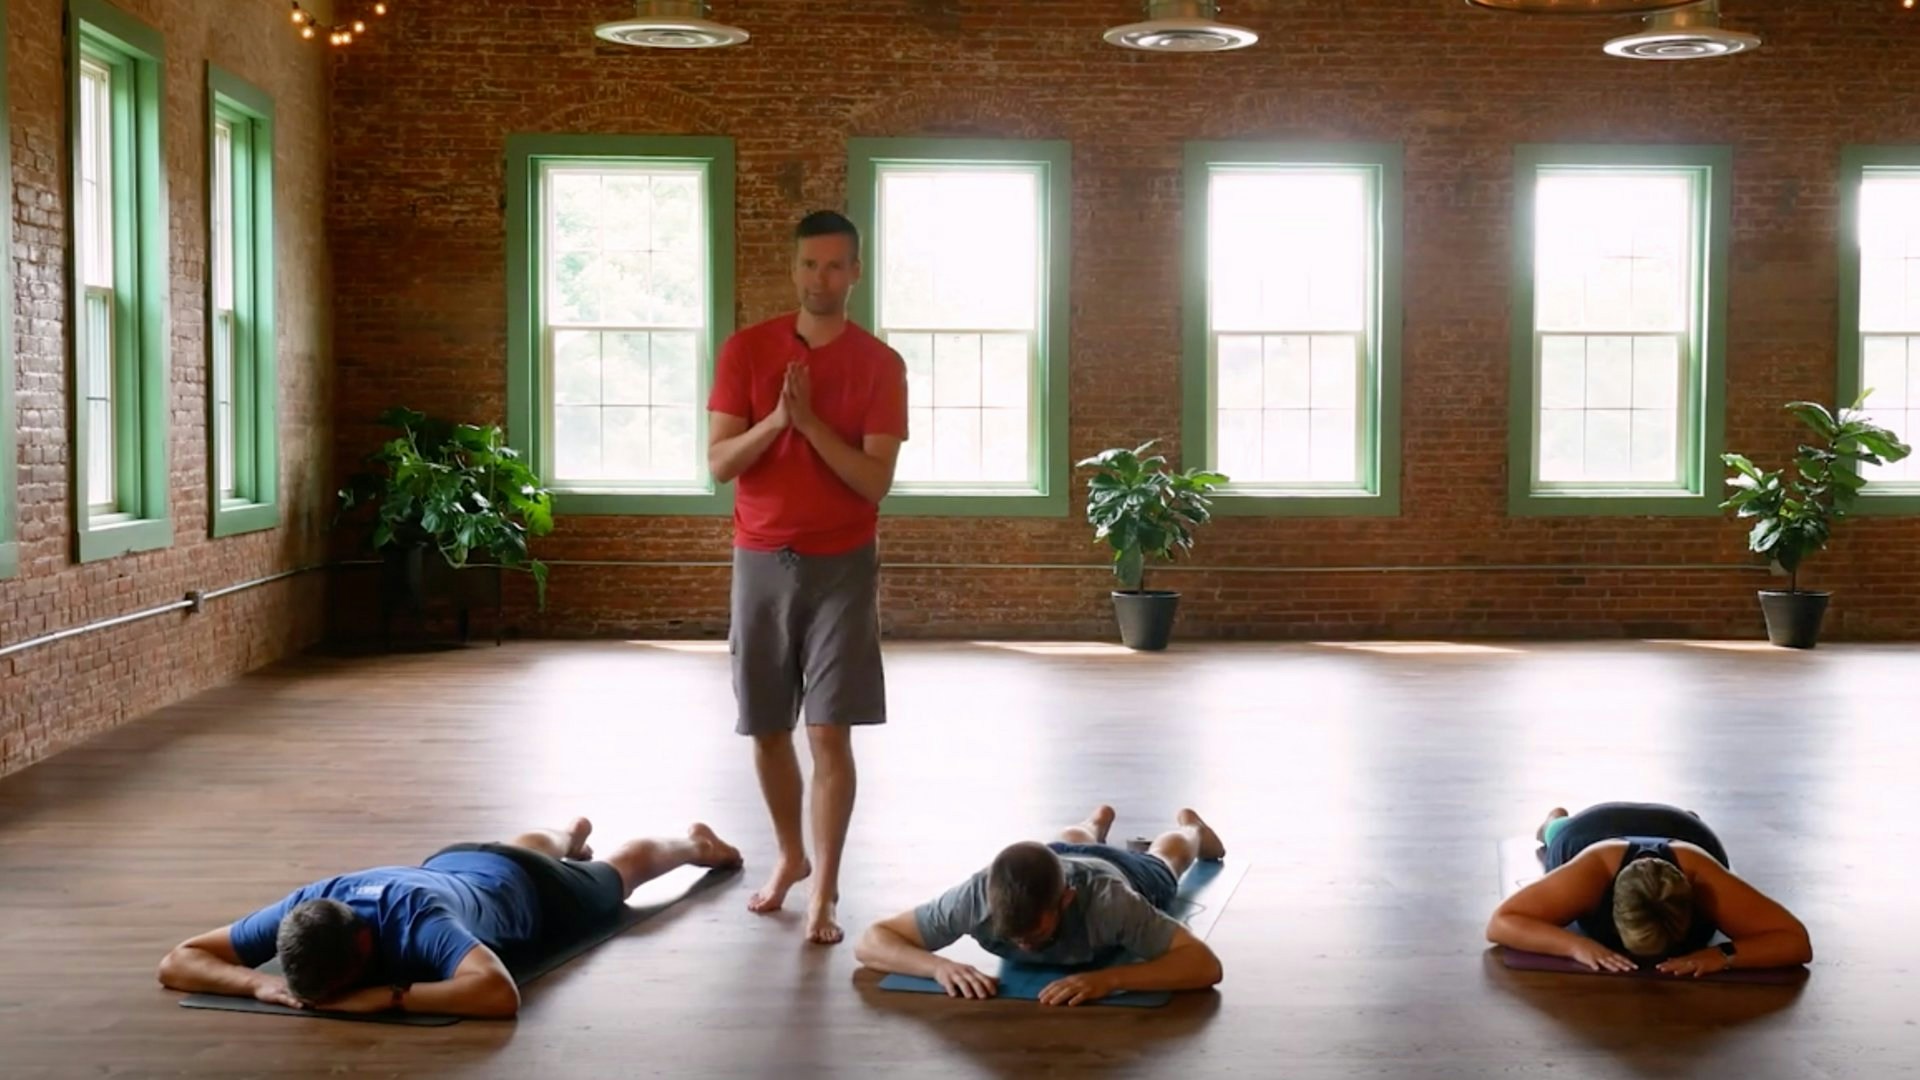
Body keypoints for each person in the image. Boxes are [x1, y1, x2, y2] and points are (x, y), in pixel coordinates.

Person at [706, 209, 909, 945]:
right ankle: (790, 856)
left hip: (841, 565)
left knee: (828, 731)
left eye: (834, 265)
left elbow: (873, 482)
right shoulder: (746, 350)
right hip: (760, 558)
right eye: (808, 264)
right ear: (794, 270)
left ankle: (824, 890)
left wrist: (814, 423)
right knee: (766, 726)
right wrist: (777, 423)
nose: (820, 278)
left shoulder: (880, 364)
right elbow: (720, 463)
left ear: (856, 272)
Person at [155, 817, 741, 1017]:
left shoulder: (420, 925)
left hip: (535, 891)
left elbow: (498, 993)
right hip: (460, 863)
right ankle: (568, 833)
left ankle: (696, 843)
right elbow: (179, 960)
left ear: (366, 947)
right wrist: (258, 984)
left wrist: (389, 997)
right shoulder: (305, 904)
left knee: (621, 874)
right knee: (520, 848)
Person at [855, 805, 1228, 1006]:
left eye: (1034, 934)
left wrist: (1110, 979)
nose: (1024, 945)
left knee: (1167, 859)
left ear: (1066, 901)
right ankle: (1093, 823)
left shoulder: (1110, 904)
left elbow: (1205, 965)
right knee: (1069, 843)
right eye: (1012, 936)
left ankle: (1192, 828)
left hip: (1123, 871)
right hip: (1056, 857)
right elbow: (871, 941)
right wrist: (938, 967)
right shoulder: (975, 897)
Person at [1487, 801, 1812, 976]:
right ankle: (1555, 818)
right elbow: (1501, 923)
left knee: (1689, 824)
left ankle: (1687, 816)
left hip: (1686, 832)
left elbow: (1796, 941)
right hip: (1595, 828)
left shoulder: (1706, 881)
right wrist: (1574, 946)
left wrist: (1723, 955)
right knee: (1555, 832)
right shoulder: (1591, 875)